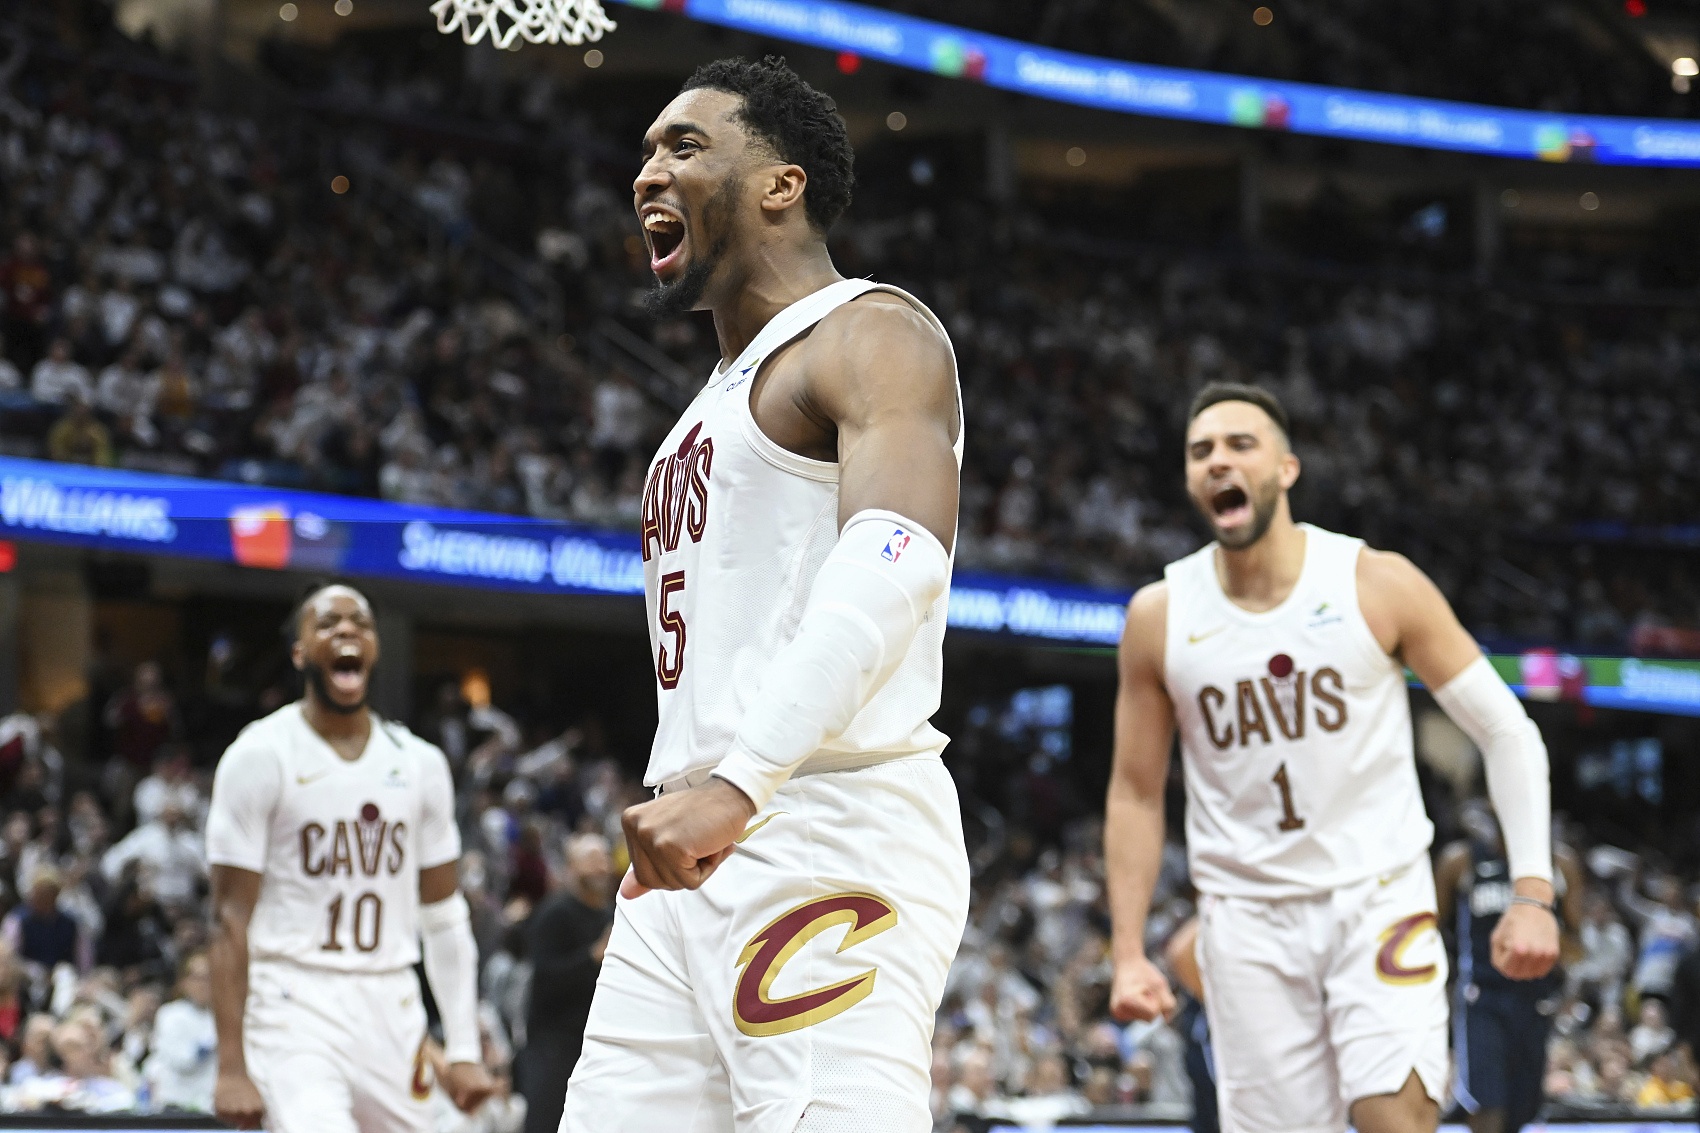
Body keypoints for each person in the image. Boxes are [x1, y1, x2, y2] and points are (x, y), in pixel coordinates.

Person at [563, 56, 969, 1132]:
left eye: (684, 145)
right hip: (688, 846)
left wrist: (740, 783)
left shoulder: (871, 331)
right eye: (645, 152)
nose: (647, 172)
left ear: (781, 183)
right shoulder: (701, 408)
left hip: (824, 821)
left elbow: (898, 561)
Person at [1104, 381, 1561, 1133]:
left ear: (1287, 468)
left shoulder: (1375, 582)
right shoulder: (1160, 615)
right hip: (1246, 915)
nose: (1218, 461)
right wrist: (1128, 950)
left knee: (1394, 1118)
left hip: (1376, 895)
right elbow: (1135, 791)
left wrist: (1533, 891)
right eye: (1200, 451)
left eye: (1240, 444)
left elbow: (1506, 729)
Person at [205, 583, 495, 1132]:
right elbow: (228, 920)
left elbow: (443, 915)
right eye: (327, 622)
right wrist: (231, 1066)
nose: (346, 629)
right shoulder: (259, 754)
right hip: (293, 997)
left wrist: (462, 1048)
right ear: (299, 652)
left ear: (375, 648)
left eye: (360, 622)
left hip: (392, 999)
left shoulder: (421, 763)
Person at [1436, 800, 1584, 1133]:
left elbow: (1577, 945)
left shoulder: (1560, 864)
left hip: (1536, 998)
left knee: (1523, 1110)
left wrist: (1542, 935)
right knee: (1486, 1106)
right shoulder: (1461, 861)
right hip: (1482, 997)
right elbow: (1429, 928)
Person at [520, 833, 614, 1133]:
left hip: (597, 1045)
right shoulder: (554, 914)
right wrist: (592, 956)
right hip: (553, 1047)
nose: (601, 867)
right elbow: (544, 981)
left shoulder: (613, 915)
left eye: (604, 859)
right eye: (591, 859)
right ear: (571, 868)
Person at [144, 949, 218, 1112]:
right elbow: (183, 1060)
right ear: (184, 982)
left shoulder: (221, 1016)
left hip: (210, 1106)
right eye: (197, 978)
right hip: (176, 1106)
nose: (203, 985)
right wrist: (212, 1042)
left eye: (208, 978)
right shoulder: (170, 1014)